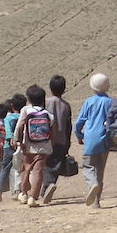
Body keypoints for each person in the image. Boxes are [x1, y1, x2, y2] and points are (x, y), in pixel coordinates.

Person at [74, 74, 114, 208]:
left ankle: (92, 184)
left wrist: (79, 135)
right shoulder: (110, 102)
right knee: (100, 171)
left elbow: (79, 122)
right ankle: (96, 202)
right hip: (106, 140)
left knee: (89, 167)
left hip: (91, 139)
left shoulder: (89, 102)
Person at [14, 84, 55, 207]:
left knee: (26, 168)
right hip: (43, 147)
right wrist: (51, 145)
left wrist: (18, 141)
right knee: (38, 171)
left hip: (28, 145)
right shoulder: (49, 114)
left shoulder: (26, 110)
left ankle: (24, 193)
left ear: (29, 99)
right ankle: (33, 197)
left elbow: (19, 127)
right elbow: (53, 132)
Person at [41, 75, 73, 204]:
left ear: (50, 88)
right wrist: (68, 143)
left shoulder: (45, 102)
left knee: (45, 164)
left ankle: (47, 187)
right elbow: (68, 126)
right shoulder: (66, 105)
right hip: (62, 140)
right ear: (64, 89)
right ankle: (48, 187)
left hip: (46, 139)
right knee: (56, 165)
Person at [0, 94, 27, 198]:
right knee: (20, 168)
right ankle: (19, 191)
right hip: (22, 145)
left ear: (11, 105)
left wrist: (11, 139)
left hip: (8, 146)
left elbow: (8, 130)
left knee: (5, 169)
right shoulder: (24, 117)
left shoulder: (8, 118)